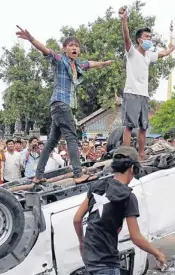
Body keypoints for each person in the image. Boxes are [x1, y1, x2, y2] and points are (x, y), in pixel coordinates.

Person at [73, 146, 166, 275]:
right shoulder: (128, 197)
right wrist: (158, 253)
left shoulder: (98, 185)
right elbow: (136, 237)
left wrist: (81, 242)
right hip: (106, 260)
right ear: (132, 168)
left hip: (90, 255)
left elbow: (77, 219)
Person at [16, 25, 113, 184]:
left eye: (77, 46)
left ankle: (38, 175)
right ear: (65, 49)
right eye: (71, 46)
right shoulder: (61, 61)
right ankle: (78, 174)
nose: (75, 48)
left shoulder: (79, 64)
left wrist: (105, 63)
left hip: (59, 106)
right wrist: (31, 39)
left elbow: (91, 63)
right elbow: (46, 51)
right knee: (72, 138)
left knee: (52, 142)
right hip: (61, 104)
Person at [119, 6, 175, 160]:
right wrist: (124, 20)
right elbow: (126, 38)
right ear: (139, 39)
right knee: (129, 126)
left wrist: (171, 49)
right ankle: (126, 155)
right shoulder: (131, 52)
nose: (149, 40)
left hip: (144, 95)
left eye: (151, 37)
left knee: (143, 127)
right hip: (131, 93)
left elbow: (162, 53)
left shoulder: (149, 56)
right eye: (146, 37)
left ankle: (141, 154)